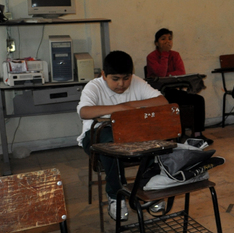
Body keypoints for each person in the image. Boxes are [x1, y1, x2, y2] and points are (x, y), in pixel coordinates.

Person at [77, 50, 168, 221]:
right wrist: (120, 109)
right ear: (104, 75)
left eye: (126, 78)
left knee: (152, 140)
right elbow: (85, 112)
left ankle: (148, 189)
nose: (121, 84)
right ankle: (116, 195)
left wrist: (129, 105)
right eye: (115, 79)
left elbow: (162, 102)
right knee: (110, 142)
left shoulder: (137, 82)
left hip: (129, 135)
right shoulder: (94, 86)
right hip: (96, 138)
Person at [146, 28, 212, 144]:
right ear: (156, 43)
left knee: (198, 100)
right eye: (163, 39)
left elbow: (181, 73)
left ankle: (197, 134)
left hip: (173, 91)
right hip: (158, 94)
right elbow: (161, 75)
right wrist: (165, 54)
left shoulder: (175, 55)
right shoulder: (151, 57)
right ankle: (172, 134)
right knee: (172, 100)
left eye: (170, 39)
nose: (167, 41)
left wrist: (168, 75)